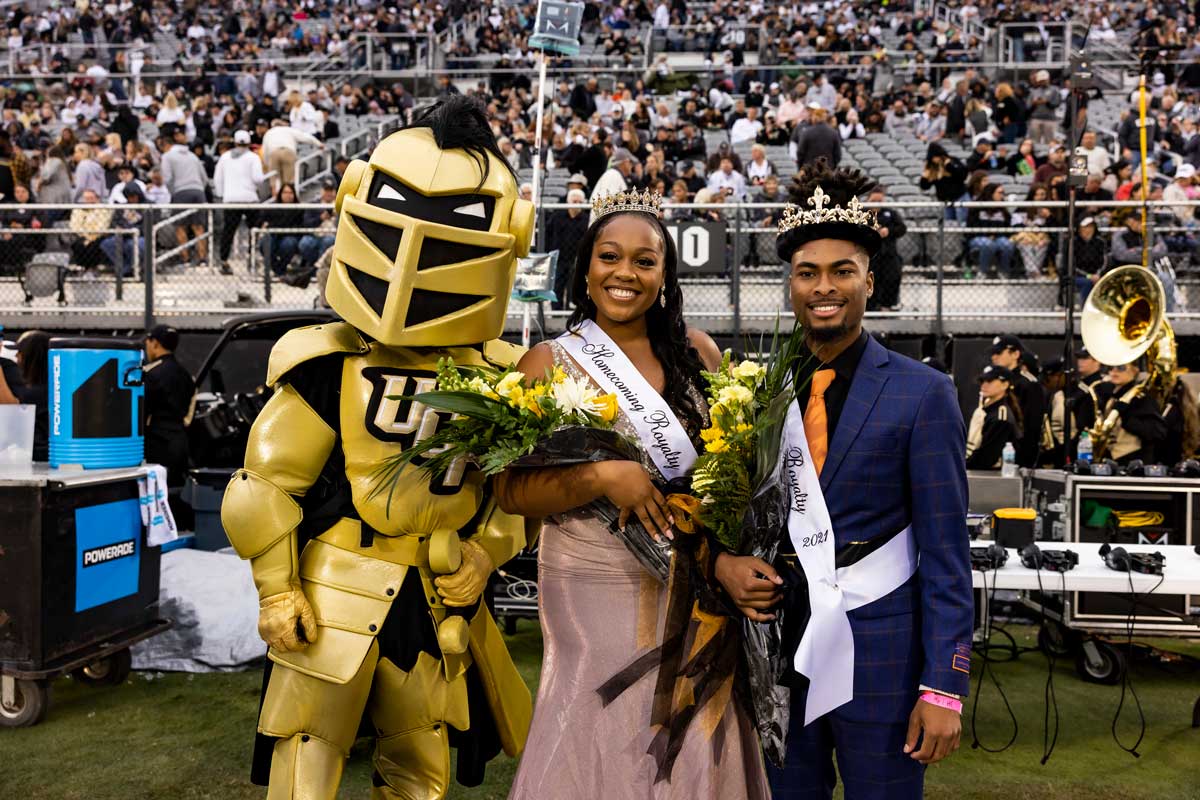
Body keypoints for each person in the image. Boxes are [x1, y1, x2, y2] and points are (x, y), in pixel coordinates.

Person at [220, 96, 533, 800]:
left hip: (432, 596)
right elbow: (264, 483)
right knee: (307, 753)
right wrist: (277, 590)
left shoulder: (496, 377)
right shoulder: (326, 361)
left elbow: (506, 499)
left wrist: (487, 552)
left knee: (422, 769)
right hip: (338, 581)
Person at [497, 189, 769, 799]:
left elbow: (727, 477)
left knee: (693, 727)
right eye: (609, 257)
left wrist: (722, 556)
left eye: (644, 261)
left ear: (665, 275)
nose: (625, 273)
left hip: (694, 578)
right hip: (591, 576)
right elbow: (510, 490)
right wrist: (600, 477)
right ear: (586, 269)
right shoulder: (546, 362)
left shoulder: (699, 354)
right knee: (599, 717)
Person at [716, 162, 972, 799]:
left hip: (883, 653)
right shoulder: (758, 391)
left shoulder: (925, 392)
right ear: (790, 285)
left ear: (868, 281)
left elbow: (947, 556)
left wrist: (945, 686)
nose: (822, 287)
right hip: (778, 645)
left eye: (841, 272)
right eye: (807, 273)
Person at [142, 325, 195, 491]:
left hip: (157, 444)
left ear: (155, 343)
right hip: (180, 442)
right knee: (177, 492)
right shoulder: (186, 374)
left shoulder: (150, 373)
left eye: (148, 342)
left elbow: (142, 411)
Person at [1092, 361, 1168, 464]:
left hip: (1134, 461)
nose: (1114, 371)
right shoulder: (1111, 396)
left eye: (1121, 367)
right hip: (1109, 460)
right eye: (1110, 367)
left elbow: (1157, 432)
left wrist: (1126, 416)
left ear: (1135, 370)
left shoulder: (1142, 398)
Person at [213, 130, 266, 274]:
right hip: (249, 198)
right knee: (253, 230)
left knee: (228, 231)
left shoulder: (224, 157)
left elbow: (218, 179)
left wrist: (222, 194)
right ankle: (252, 257)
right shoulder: (253, 158)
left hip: (231, 199)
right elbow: (257, 178)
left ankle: (224, 260)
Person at [990, 334, 1046, 468]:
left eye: (999, 352)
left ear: (1015, 354)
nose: (994, 357)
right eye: (993, 353)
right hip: (996, 452)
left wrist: (1024, 461)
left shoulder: (1028, 384)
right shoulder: (994, 381)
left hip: (1017, 457)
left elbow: (1032, 428)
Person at [0, 330, 50, 461]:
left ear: (32, 356)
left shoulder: (33, 394)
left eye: (20, 351)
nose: (16, 356)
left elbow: (11, 407)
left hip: (37, 460)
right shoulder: (56, 388)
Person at [966, 365, 1023, 469]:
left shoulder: (1001, 416)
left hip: (992, 476)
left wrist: (962, 465)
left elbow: (986, 458)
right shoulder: (990, 411)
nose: (984, 385)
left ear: (1005, 385)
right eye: (983, 381)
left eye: (989, 381)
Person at [545, 187, 589, 309]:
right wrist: (549, 252)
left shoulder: (585, 220)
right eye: (574, 201)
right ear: (568, 201)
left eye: (580, 202)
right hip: (559, 258)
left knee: (574, 287)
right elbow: (547, 234)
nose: (577, 205)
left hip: (577, 259)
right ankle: (556, 312)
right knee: (557, 286)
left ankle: (571, 313)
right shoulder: (557, 217)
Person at [868, 185, 907, 311]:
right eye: (874, 201)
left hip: (888, 254)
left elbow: (902, 228)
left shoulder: (890, 213)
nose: (877, 204)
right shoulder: (862, 213)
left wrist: (888, 231)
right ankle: (871, 307)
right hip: (870, 255)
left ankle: (887, 305)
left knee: (892, 277)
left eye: (879, 201)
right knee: (872, 280)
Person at [262, 119, 325, 191]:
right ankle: (288, 200)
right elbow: (305, 137)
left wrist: (267, 163)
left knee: (274, 181)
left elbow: (265, 151)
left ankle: (276, 199)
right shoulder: (289, 130)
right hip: (288, 152)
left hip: (273, 153)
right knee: (289, 182)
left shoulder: (269, 132)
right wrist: (319, 144)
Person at [258, 183, 304, 276]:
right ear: (280, 194)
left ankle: (280, 270)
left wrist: (273, 225)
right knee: (265, 243)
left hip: (290, 236)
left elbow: (300, 225)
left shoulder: (299, 209)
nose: (288, 195)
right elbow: (260, 221)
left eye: (291, 193)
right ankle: (278, 270)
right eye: (285, 192)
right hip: (274, 235)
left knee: (288, 244)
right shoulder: (272, 207)